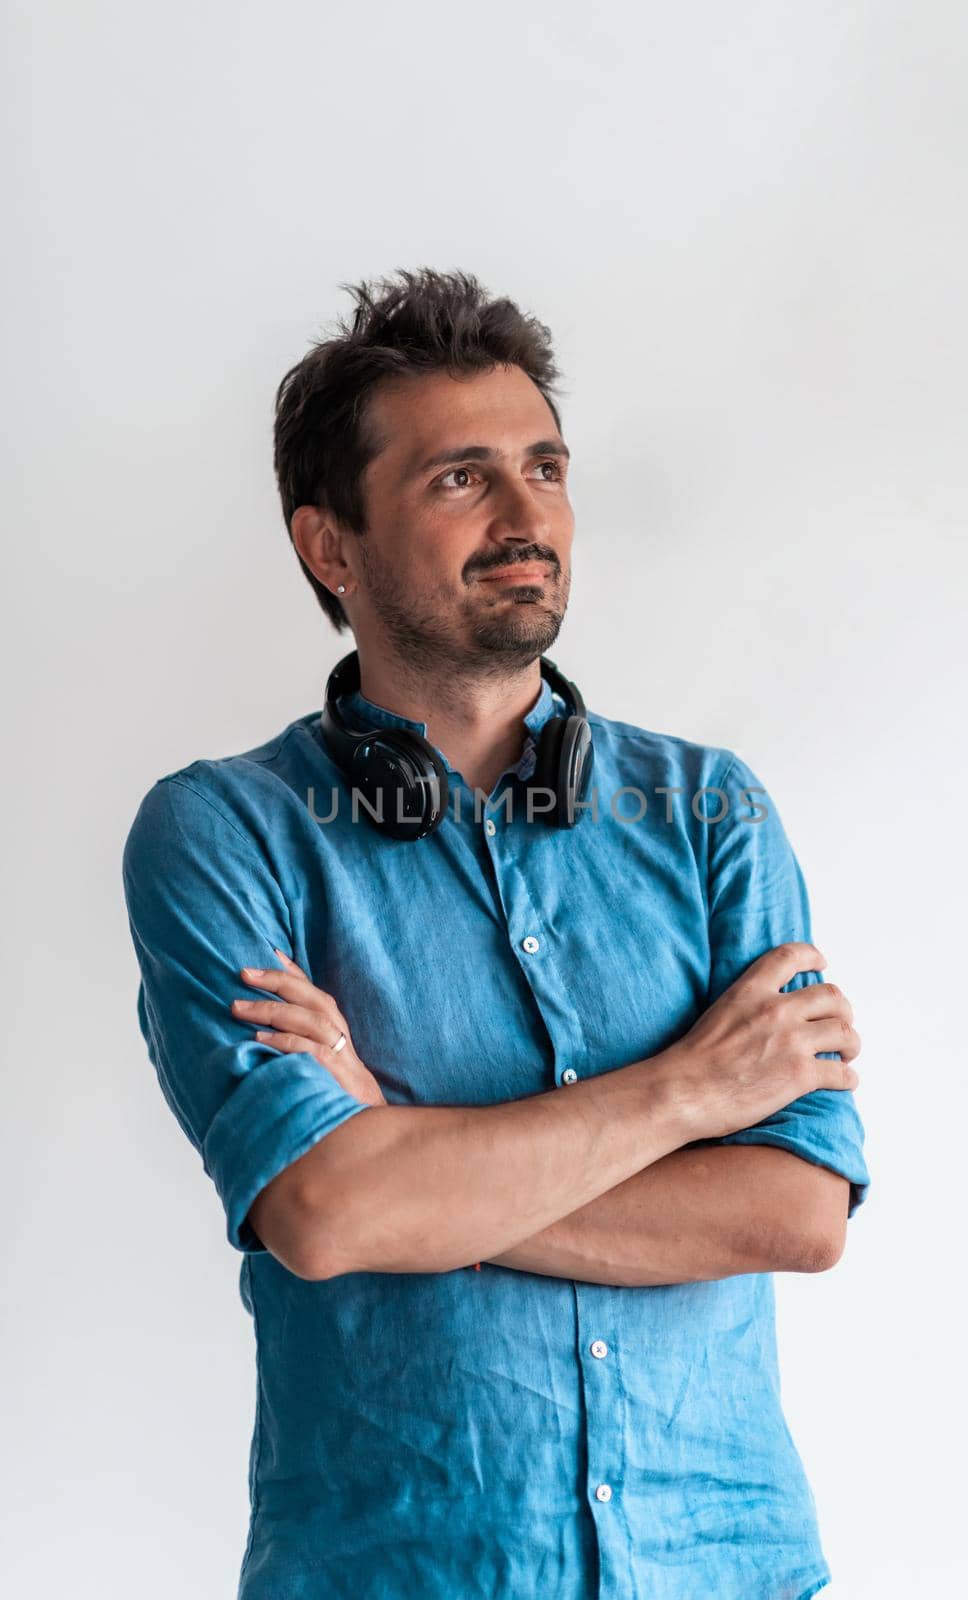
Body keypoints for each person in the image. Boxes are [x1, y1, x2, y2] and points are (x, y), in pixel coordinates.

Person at [121, 266, 870, 1600]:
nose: (530, 516)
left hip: (728, 1566)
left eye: (545, 466)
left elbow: (797, 1213)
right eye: (461, 478)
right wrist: (691, 1095)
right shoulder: (224, 835)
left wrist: (416, 1171)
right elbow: (326, 1208)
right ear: (329, 546)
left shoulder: (711, 815)